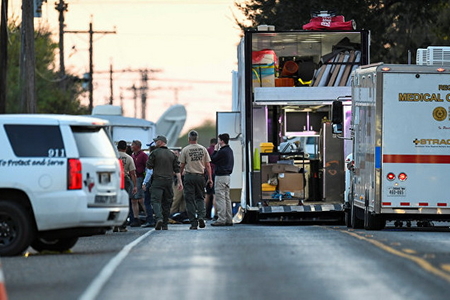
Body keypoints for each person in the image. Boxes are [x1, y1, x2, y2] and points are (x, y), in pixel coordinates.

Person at [146, 135, 183, 230]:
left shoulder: (154, 153)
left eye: (156, 141)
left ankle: (159, 218)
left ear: (161, 142)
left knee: (156, 201)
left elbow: (149, 166)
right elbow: (177, 170)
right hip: (168, 181)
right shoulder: (172, 154)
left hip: (157, 181)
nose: (155, 142)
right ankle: (165, 223)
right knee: (167, 202)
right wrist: (180, 182)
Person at [179, 130, 213, 230]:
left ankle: (193, 223)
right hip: (200, 176)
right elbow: (208, 165)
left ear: (189, 139)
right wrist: (210, 178)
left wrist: (180, 176)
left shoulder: (185, 150)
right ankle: (201, 217)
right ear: (196, 139)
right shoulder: (203, 149)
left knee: (189, 200)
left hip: (189, 176)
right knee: (200, 198)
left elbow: (181, 165)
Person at [210, 133, 234, 226]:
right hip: (227, 176)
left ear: (222, 141)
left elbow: (212, 159)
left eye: (219, 140)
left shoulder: (222, 151)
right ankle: (229, 218)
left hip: (220, 176)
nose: (218, 142)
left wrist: (215, 150)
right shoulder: (230, 150)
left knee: (220, 198)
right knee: (227, 198)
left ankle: (221, 219)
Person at [114, 140, 138, 232]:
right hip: (125, 180)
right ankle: (123, 225)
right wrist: (135, 185)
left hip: (115, 179)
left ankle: (115, 224)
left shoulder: (113, 156)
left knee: (115, 202)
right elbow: (132, 173)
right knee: (124, 202)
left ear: (117, 147)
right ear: (126, 148)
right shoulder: (129, 158)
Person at [130, 140, 148, 227]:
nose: (131, 146)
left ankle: (148, 216)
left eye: (133, 145)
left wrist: (145, 181)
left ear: (137, 146)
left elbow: (147, 168)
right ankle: (136, 218)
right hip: (133, 178)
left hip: (139, 178)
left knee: (141, 199)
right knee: (133, 199)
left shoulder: (143, 155)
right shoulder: (132, 156)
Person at [141, 144, 156, 228]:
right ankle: (158, 219)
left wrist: (144, 182)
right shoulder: (160, 158)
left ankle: (150, 220)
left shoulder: (150, 159)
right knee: (157, 201)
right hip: (159, 181)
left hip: (150, 181)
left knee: (147, 202)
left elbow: (149, 172)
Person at [205, 138, 217, 220]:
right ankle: (216, 214)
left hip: (208, 174)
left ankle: (207, 214)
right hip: (216, 174)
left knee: (208, 194)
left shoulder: (207, 150)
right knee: (215, 194)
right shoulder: (217, 151)